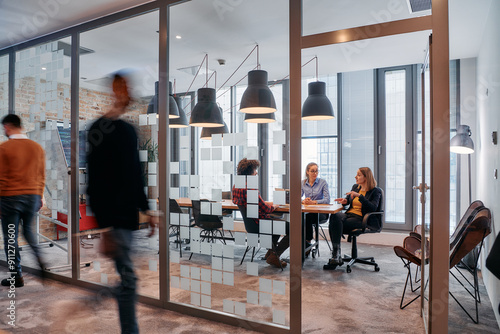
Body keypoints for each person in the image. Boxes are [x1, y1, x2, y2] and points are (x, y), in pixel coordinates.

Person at [86, 73, 158, 334]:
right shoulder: (98, 129)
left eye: (130, 87)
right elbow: (94, 182)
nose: (129, 93)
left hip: (129, 218)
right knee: (129, 279)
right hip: (113, 220)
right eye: (123, 88)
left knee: (127, 279)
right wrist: (104, 229)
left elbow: (134, 174)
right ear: (114, 91)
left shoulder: (129, 130)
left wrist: (148, 210)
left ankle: (103, 297)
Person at [0, 114, 46, 288]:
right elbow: (42, 175)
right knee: (28, 231)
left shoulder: (5, 148)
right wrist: (39, 196)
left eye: (4, 128)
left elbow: (1, 178)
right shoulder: (37, 148)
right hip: (32, 196)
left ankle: (16, 276)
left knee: (11, 237)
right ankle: (40, 258)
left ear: (8, 126)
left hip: (11, 198)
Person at [232, 158, 289, 268]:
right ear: (250, 172)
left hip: (251, 225)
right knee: (293, 229)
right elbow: (265, 209)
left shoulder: (236, 186)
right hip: (259, 223)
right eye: (255, 170)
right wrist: (274, 206)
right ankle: (274, 255)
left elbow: (248, 203)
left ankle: (271, 254)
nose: (256, 172)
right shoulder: (250, 187)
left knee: (276, 227)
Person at [323, 167, 382, 270]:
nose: (356, 176)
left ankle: (336, 256)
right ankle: (336, 255)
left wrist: (360, 196)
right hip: (350, 215)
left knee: (334, 225)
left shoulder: (375, 191)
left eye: (359, 175)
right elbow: (349, 200)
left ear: (366, 177)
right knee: (334, 216)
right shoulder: (356, 187)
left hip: (362, 219)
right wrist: (345, 201)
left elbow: (373, 207)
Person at [301, 162, 330, 255]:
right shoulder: (302, 183)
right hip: (307, 212)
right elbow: (297, 197)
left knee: (307, 218)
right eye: (312, 171)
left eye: (316, 171)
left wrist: (314, 202)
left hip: (321, 213)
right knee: (302, 217)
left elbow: (327, 199)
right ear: (307, 172)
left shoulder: (322, 182)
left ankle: (307, 242)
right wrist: (303, 201)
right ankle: (302, 243)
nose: (315, 173)